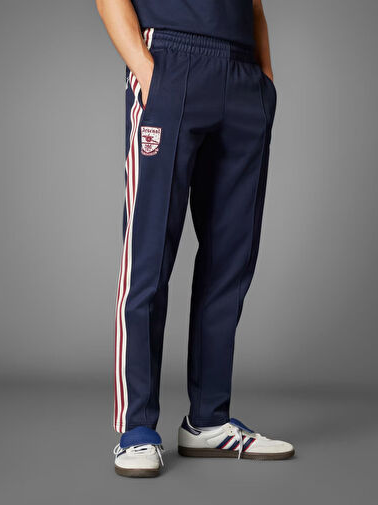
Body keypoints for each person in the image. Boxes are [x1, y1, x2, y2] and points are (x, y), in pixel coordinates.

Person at [96, 0, 294, 477]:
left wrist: (264, 81)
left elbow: (253, 6)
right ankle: (137, 427)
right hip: (170, 58)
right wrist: (149, 75)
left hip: (243, 73)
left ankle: (209, 419)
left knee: (231, 259)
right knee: (148, 255)